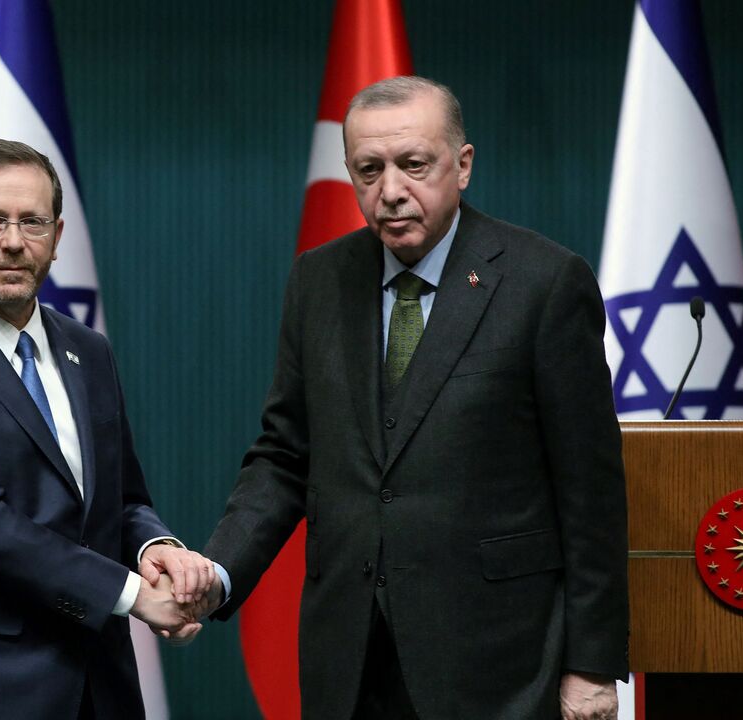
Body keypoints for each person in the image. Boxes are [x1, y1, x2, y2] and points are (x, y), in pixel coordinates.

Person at [202, 76, 629, 720]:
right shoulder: (318, 280)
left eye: (413, 164)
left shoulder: (543, 283)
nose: (391, 191)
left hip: (497, 664)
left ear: (462, 166)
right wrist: (218, 573)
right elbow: (286, 456)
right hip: (348, 661)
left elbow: (589, 490)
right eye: (369, 170)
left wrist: (592, 665)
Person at [0, 138, 214, 720]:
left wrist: (157, 549)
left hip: (96, 686)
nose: (12, 242)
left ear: (55, 237)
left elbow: (121, 498)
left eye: (32, 223)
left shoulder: (89, 350)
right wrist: (132, 595)